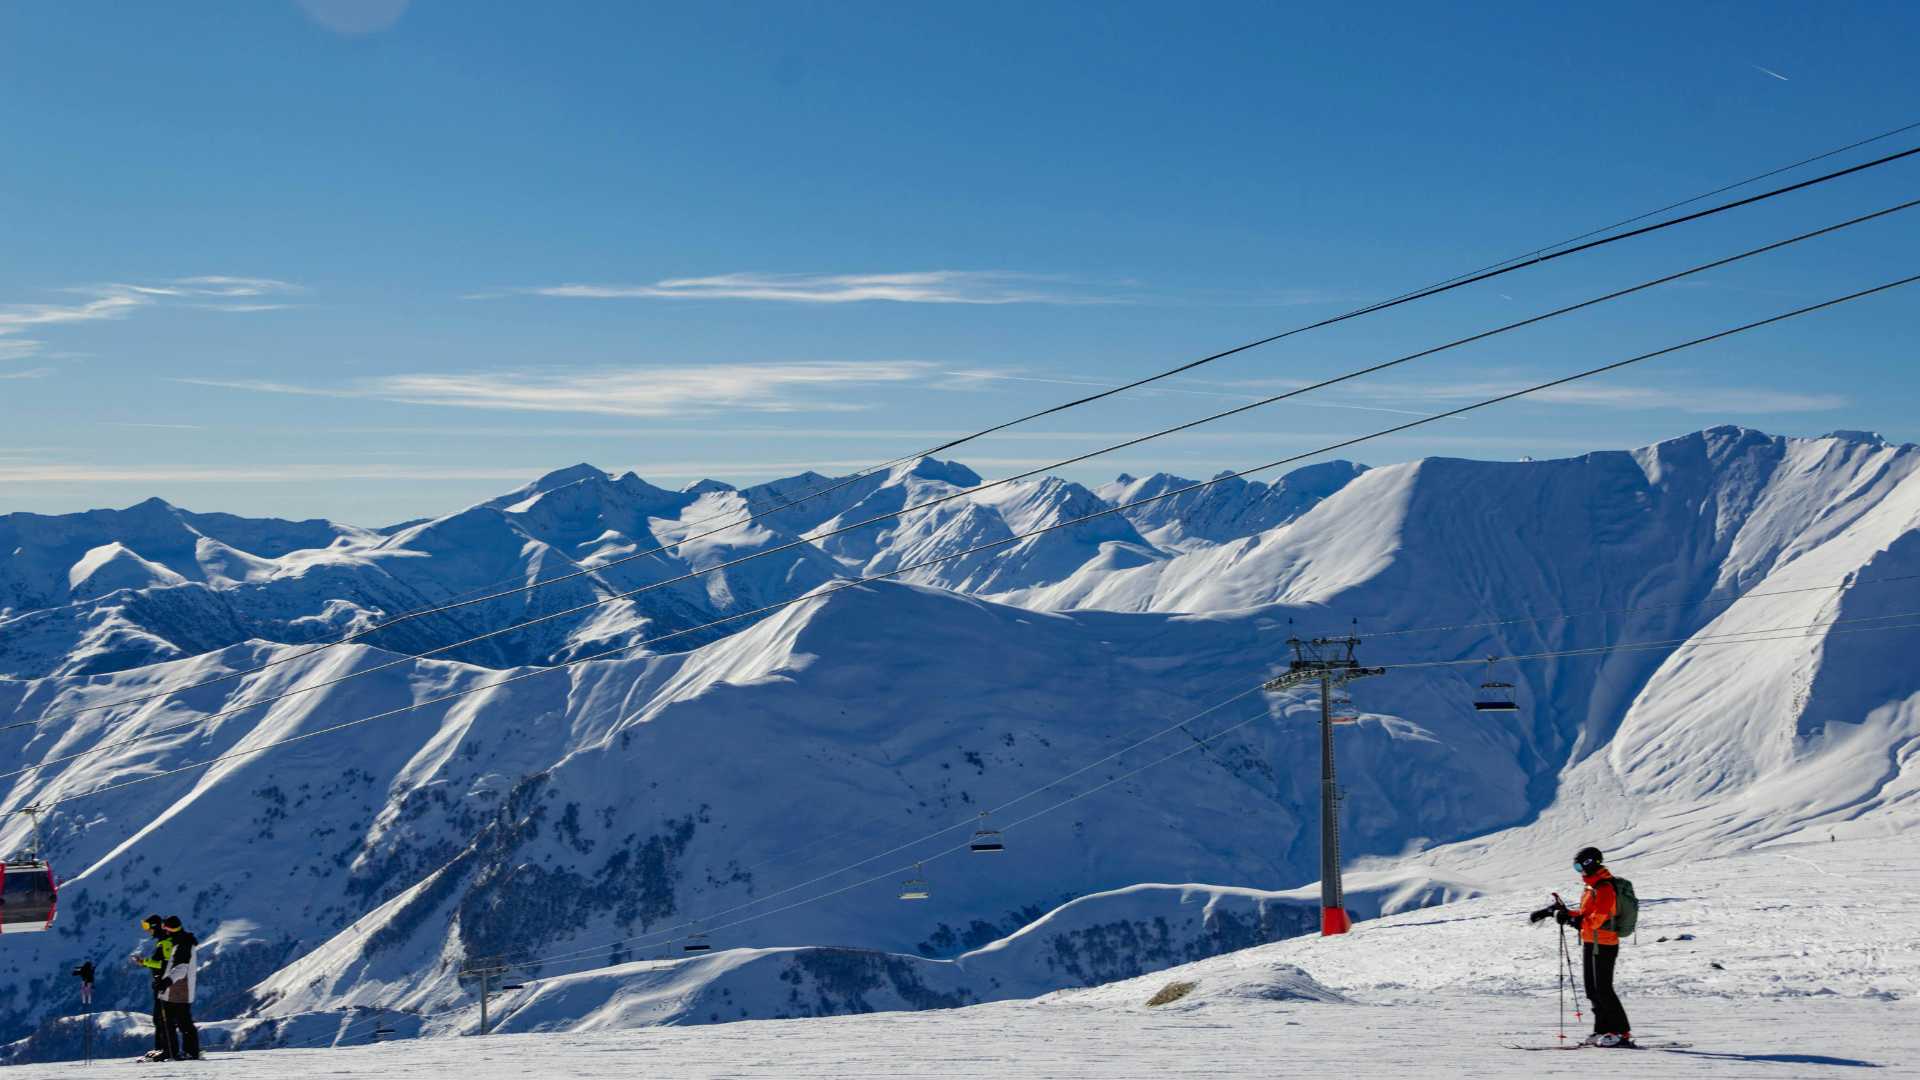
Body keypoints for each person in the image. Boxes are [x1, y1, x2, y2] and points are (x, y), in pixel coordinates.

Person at [1558, 846, 1632, 1047]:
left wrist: (1577, 923)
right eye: (1576, 866)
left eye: (1579, 865)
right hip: (1591, 940)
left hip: (1605, 943)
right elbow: (1586, 914)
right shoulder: (1591, 887)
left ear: (1591, 863)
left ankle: (1621, 1032)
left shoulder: (1605, 887)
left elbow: (1598, 918)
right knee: (1592, 990)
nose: (1579, 870)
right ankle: (1602, 1030)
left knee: (1604, 989)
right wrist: (1568, 914)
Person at [157, 915, 201, 1061]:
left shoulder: (184, 944)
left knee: (181, 1022)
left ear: (170, 929)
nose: (165, 932)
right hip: (176, 989)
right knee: (170, 1022)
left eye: (166, 928)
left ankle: (186, 1052)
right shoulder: (181, 942)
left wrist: (166, 981)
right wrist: (163, 981)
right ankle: (172, 1051)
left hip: (180, 990)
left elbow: (181, 969)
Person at [131, 914, 171, 1062]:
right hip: (159, 983)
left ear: (155, 927)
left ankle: (165, 1049)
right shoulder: (162, 941)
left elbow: (164, 965)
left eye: (148, 927)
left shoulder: (165, 942)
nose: (147, 931)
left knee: (162, 1018)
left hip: (163, 984)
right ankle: (160, 1048)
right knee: (158, 1018)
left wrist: (144, 962)